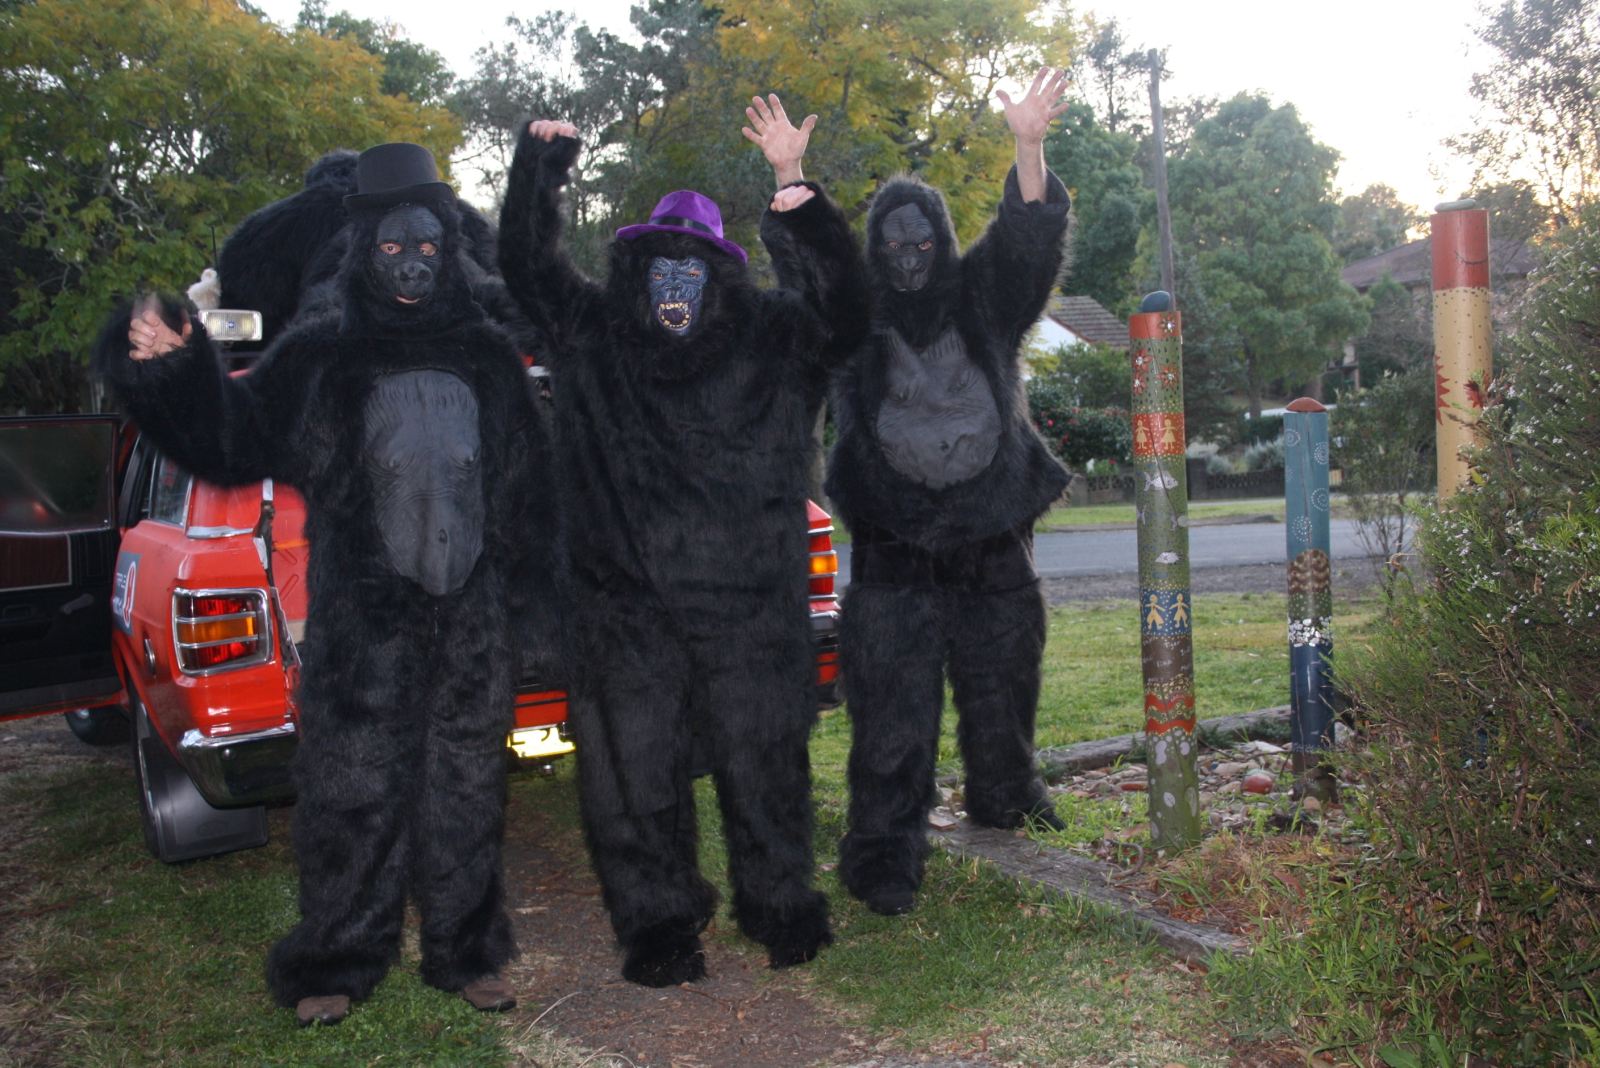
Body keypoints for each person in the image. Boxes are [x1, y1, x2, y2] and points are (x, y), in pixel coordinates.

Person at [497, 106, 869, 984]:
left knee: (765, 762)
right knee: (631, 775)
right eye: (659, 269)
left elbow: (846, 311)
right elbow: (528, 270)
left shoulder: (774, 341)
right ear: (635, 274)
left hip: (749, 608)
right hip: (625, 611)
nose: (674, 288)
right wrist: (538, 171)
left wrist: (793, 187)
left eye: (690, 272)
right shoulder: (596, 336)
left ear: (719, 280)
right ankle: (658, 923)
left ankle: (781, 903)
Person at [785, 69, 1076, 916]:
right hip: (895, 557)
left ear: (942, 243)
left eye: (922, 243)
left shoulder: (983, 299)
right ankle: (882, 853)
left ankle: (1007, 797)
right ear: (879, 251)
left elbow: (1026, 243)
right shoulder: (855, 320)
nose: (909, 257)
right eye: (894, 245)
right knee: (891, 719)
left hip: (992, 545)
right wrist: (788, 177)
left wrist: (1029, 144)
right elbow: (815, 264)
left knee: (1003, 692)